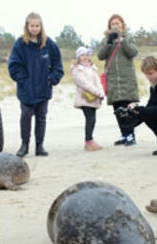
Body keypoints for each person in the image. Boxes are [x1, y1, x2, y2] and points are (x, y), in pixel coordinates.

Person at [8, 13, 63, 157]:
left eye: (37, 26)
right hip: (26, 89)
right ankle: (24, 145)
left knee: (41, 117)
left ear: (41, 26)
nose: (34, 28)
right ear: (27, 26)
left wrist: (52, 78)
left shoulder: (48, 43)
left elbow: (58, 64)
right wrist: (24, 80)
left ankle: (40, 146)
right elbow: (13, 65)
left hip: (44, 88)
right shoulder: (20, 44)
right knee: (26, 116)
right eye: (31, 26)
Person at [97, 14, 139, 147]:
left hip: (127, 79)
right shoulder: (105, 40)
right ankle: (124, 134)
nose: (115, 26)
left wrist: (122, 40)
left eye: (118, 23)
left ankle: (131, 135)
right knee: (117, 108)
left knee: (128, 109)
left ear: (122, 25)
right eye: (113, 24)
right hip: (113, 80)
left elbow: (133, 52)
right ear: (109, 27)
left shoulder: (128, 38)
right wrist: (109, 42)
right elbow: (100, 55)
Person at [70, 47, 105, 151]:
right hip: (85, 98)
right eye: (82, 55)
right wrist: (97, 92)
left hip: (94, 98)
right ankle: (89, 141)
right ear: (78, 57)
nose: (84, 57)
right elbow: (84, 83)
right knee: (90, 119)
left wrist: (101, 93)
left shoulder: (92, 68)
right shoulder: (77, 69)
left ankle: (90, 140)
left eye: (86, 55)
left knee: (93, 119)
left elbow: (97, 81)